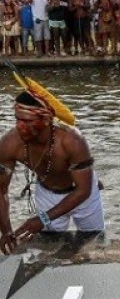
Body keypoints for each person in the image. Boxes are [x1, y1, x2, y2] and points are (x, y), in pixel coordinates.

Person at [0, 71, 104, 254]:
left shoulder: (72, 141)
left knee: (95, 243)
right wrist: (6, 230)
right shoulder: (10, 144)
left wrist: (42, 219)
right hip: (47, 193)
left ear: (46, 120)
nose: (19, 126)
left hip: (83, 198)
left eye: (27, 121)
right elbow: (0, 191)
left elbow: (83, 190)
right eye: (17, 119)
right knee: (51, 251)